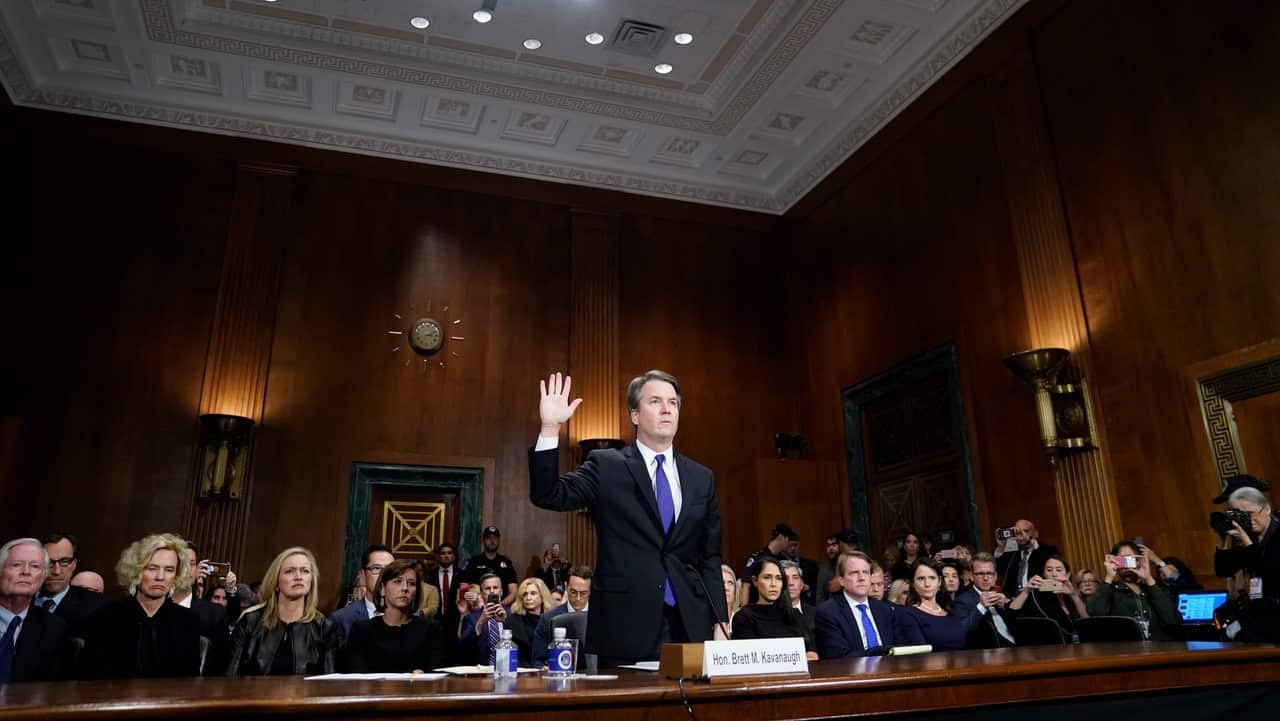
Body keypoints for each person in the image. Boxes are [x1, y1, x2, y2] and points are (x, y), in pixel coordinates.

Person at [529, 371, 728, 665]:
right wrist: (549, 429)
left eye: (673, 402)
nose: (667, 409)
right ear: (634, 414)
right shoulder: (606, 465)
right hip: (626, 624)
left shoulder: (701, 477)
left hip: (689, 623)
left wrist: (720, 622)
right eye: (656, 401)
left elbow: (709, 557)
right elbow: (549, 494)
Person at [80, 533, 201, 678]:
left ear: (177, 574)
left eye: (169, 570)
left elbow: (189, 683)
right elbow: (89, 679)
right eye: (152, 568)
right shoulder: (105, 618)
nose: (160, 577)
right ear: (136, 570)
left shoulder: (188, 622)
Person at [226, 547, 340, 676]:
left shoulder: (324, 628)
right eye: (289, 571)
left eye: (305, 571)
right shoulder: (250, 622)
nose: (298, 577)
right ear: (276, 581)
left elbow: (330, 684)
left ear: (311, 581)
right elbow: (229, 678)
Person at [345, 559, 448, 673]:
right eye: (397, 581)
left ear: (416, 592)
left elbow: (437, 677)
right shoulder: (362, 630)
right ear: (383, 589)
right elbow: (357, 678)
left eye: (411, 583)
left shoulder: (431, 629)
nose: (405, 588)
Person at [0, 538, 72, 682]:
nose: (26, 572)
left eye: (35, 566)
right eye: (16, 565)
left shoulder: (53, 629)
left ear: (42, 577)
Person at [1213, 486, 1279, 641]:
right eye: (1240, 515)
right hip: (1257, 614)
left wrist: (1248, 544)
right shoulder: (1246, 537)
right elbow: (1222, 570)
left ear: (1267, 509)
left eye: (1250, 513)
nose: (1248, 520)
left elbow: (1269, 572)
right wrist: (1226, 539)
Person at [1087, 540, 1180, 641]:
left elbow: (1172, 619)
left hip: (1158, 651)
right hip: (1127, 652)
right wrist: (1109, 577)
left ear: (1139, 560)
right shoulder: (1111, 591)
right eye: (1122, 560)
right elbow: (1094, 612)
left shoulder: (1155, 587)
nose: (1126, 564)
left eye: (1131, 559)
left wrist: (1149, 579)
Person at [730, 556, 817, 660]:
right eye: (767, 577)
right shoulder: (744, 617)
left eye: (779, 578)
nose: (774, 584)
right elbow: (751, 660)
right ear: (755, 581)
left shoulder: (795, 615)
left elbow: (813, 655)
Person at [814, 551, 896, 659]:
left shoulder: (884, 609)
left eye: (866, 572)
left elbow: (899, 648)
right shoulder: (828, 612)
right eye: (854, 573)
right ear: (841, 580)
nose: (862, 578)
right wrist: (883, 651)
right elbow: (838, 657)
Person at [892, 559, 978, 651]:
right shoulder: (907, 614)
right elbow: (921, 652)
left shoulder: (949, 610)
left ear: (940, 581)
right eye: (921, 578)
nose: (927, 584)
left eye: (932, 578)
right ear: (913, 584)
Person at [35, 533, 107, 637]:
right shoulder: (17, 600)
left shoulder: (97, 608)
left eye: (64, 561)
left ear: (74, 564)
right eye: (49, 562)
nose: (57, 571)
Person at [1006, 555, 1088, 640]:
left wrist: (1073, 595)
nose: (1054, 574)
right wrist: (1026, 591)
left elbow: (1086, 619)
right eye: (1049, 570)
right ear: (1044, 574)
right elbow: (1011, 615)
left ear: (1067, 574)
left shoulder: (1071, 595)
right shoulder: (1037, 595)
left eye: (1059, 570)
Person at [952, 552, 1015, 648]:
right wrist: (981, 607)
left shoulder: (1004, 595)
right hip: (989, 655)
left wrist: (1007, 605)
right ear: (972, 576)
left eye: (989, 573)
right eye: (980, 574)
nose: (985, 578)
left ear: (996, 576)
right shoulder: (962, 601)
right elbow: (961, 632)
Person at [331, 545, 393, 638]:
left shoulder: (413, 617)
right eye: (376, 568)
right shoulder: (341, 618)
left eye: (390, 569)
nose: (384, 575)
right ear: (363, 575)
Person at [533, 566, 592, 665]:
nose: (578, 598)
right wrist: (543, 668)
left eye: (583, 593)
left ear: (590, 591)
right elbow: (537, 660)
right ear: (566, 587)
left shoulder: (602, 618)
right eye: (573, 592)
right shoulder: (548, 619)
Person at [995, 520, 1060, 597]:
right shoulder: (1012, 554)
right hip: (1013, 599)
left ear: (1036, 534)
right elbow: (999, 570)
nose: (1021, 534)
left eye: (1026, 531)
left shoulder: (1048, 551)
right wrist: (1001, 547)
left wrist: (1029, 540)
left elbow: (1056, 583)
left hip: (1038, 597)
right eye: (1018, 532)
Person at [458, 573, 511, 665]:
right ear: (481, 594)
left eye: (495, 587)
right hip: (481, 671)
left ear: (501, 591)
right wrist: (480, 622)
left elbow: (522, 645)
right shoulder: (471, 618)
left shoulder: (513, 614)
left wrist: (505, 621)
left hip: (509, 667)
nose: (492, 591)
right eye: (487, 588)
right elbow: (463, 647)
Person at [743, 523, 798, 605]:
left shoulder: (784, 559)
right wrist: (744, 609)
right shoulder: (758, 557)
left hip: (779, 608)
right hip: (757, 607)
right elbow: (746, 585)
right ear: (781, 538)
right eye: (788, 539)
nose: (789, 543)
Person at [463, 527, 518, 606]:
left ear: (499, 540)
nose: (492, 541)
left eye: (495, 538)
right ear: (483, 541)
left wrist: (500, 605)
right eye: (489, 538)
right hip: (479, 608)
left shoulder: (506, 562)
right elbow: (467, 589)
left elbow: (514, 592)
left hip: (502, 607)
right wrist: (480, 605)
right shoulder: (474, 562)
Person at [505, 577, 553, 666]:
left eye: (533, 593)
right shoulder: (513, 620)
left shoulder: (552, 620)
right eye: (525, 594)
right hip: (522, 669)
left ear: (542, 596)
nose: (528, 597)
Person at [781, 559, 816, 637]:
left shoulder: (817, 615)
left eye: (795, 577)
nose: (791, 583)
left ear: (802, 584)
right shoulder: (769, 614)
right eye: (785, 578)